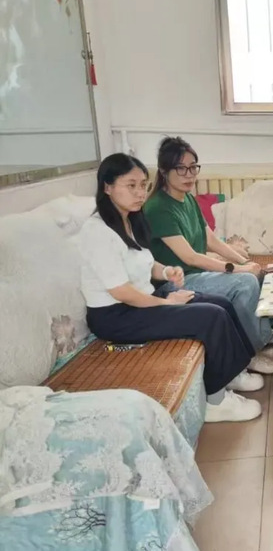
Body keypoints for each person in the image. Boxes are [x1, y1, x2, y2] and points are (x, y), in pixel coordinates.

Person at [78, 153, 263, 423]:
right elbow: (121, 292)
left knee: (221, 304)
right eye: (131, 185)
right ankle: (216, 402)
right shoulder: (97, 231)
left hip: (142, 301)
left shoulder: (129, 219)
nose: (140, 193)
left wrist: (166, 271)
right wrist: (167, 303)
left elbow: (143, 263)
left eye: (143, 185)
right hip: (117, 316)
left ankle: (231, 374)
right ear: (107, 187)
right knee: (211, 317)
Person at [143, 136, 273, 375]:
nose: (189, 174)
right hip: (175, 283)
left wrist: (244, 261)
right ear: (164, 171)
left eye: (193, 167)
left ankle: (263, 335)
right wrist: (239, 269)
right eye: (181, 168)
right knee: (245, 282)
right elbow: (191, 258)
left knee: (257, 273)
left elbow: (211, 240)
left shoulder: (187, 199)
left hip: (197, 274)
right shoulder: (158, 208)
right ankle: (251, 352)